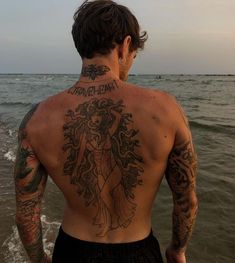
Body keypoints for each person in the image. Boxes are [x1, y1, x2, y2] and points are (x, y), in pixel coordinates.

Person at [13, 0, 198, 262]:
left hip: (72, 251)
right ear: (125, 46)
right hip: (139, 252)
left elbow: (26, 211)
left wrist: (39, 258)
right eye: (134, 54)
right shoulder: (167, 110)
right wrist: (177, 250)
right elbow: (186, 201)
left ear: (81, 47)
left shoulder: (37, 119)